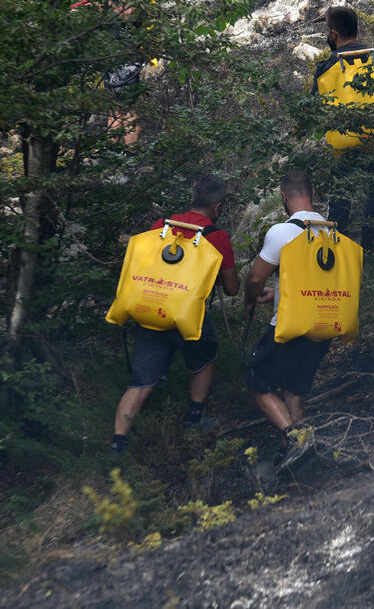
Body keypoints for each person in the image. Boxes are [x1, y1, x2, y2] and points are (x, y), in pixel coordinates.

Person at [111, 174, 239, 452]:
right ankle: (194, 421)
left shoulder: (162, 227)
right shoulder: (217, 237)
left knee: (140, 383)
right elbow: (231, 289)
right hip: (187, 317)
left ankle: (117, 445)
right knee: (204, 361)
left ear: (193, 200)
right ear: (218, 207)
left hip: (150, 312)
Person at [243, 170, 333, 470]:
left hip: (290, 328)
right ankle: (298, 456)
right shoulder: (331, 231)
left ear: (283, 197)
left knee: (257, 381)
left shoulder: (282, 232)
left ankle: (293, 437)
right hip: (323, 326)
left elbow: (255, 277)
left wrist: (251, 296)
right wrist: (277, 293)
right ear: (313, 193)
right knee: (293, 388)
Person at [313, 6, 374, 252]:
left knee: (340, 196)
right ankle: (370, 244)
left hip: (344, 143)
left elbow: (314, 110)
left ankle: (338, 249)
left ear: (333, 33)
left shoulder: (327, 68)